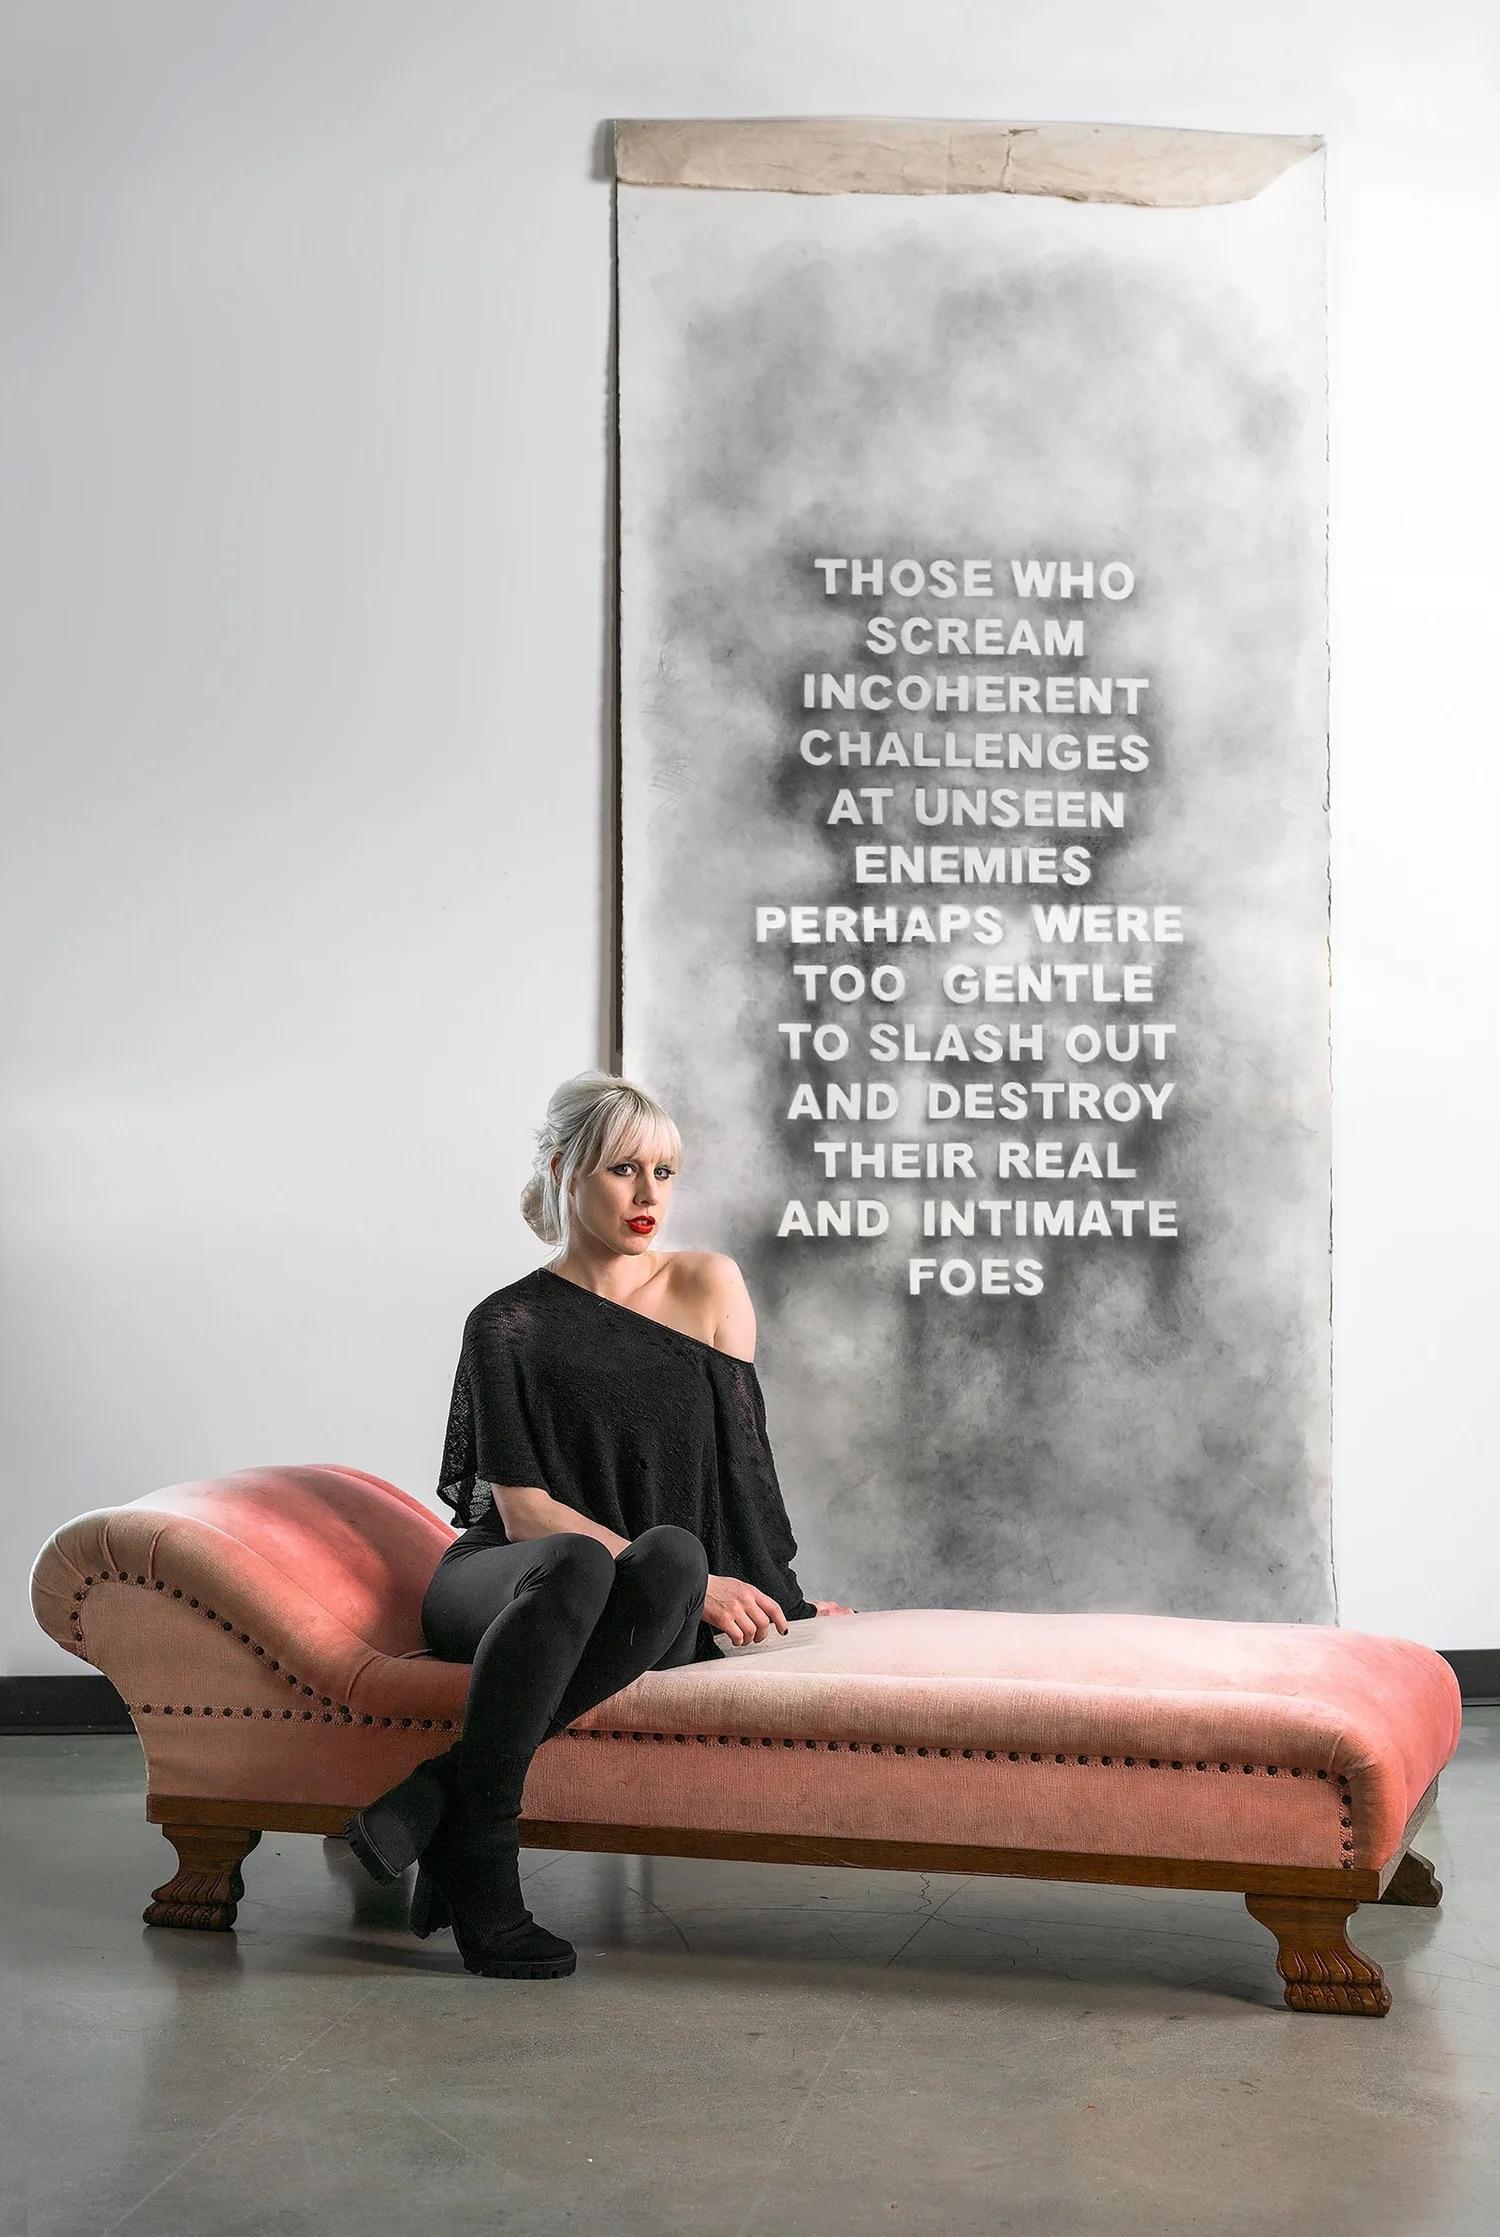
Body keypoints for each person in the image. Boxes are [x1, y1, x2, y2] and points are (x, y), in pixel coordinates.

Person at [344, 1068, 854, 1981]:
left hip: (635, 1591)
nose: (649, 1194)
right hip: (505, 1581)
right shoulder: (504, 1322)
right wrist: (683, 1584)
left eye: (664, 1171)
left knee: (677, 1554)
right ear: (563, 1169)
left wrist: (768, 1589)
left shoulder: (707, 1284)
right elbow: (525, 1511)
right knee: (578, 1558)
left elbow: (739, 1466)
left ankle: (438, 1804)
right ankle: (488, 1865)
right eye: (623, 1170)